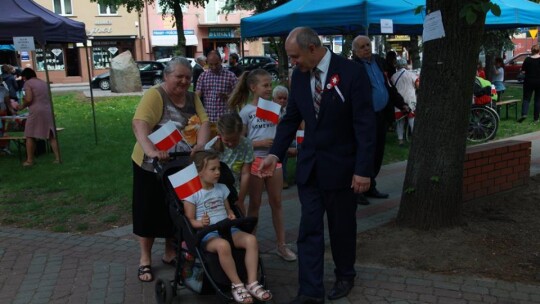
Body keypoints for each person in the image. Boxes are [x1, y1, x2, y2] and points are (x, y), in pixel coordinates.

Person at [257, 27, 376, 302]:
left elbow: (365, 125)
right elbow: (290, 119)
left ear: (312, 48)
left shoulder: (351, 73)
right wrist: (275, 154)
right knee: (308, 230)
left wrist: (362, 170)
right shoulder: (298, 77)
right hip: (310, 167)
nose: (293, 62)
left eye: (295, 56)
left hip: (343, 168)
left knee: (341, 227)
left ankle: (345, 274)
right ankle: (310, 292)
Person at [131, 57, 211, 283]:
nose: (184, 81)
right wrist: (152, 151)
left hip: (181, 162)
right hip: (150, 164)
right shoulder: (155, 95)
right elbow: (139, 124)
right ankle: (145, 259)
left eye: (188, 77)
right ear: (166, 76)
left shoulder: (193, 97)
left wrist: (201, 146)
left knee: (176, 211)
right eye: (179, 76)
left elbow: (204, 122)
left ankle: (170, 252)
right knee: (148, 210)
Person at [228, 69, 297, 262]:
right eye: (265, 85)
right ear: (253, 87)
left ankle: (281, 246)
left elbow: (281, 132)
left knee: (277, 202)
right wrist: (257, 144)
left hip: (274, 160)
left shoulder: (274, 109)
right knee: (255, 204)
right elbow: (239, 141)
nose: (269, 88)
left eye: (270, 85)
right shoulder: (246, 112)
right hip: (255, 162)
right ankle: (251, 244)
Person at [184, 150, 272, 303]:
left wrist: (231, 214)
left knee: (251, 239)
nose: (218, 172)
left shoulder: (222, 188)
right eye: (213, 169)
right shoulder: (193, 194)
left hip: (228, 228)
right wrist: (200, 223)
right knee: (223, 246)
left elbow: (228, 209)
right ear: (199, 172)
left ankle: (252, 282)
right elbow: (189, 220)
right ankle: (237, 285)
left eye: (218, 168)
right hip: (208, 234)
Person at [352, 35, 409, 206]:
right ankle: (357, 190)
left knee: (377, 153)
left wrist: (402, 104)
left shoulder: (379, 61)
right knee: (364, 153)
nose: (366, 48)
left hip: (381, 115)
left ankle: (370, 185)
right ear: (355, 51)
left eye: (368, 45)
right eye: (362, 47)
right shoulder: (354, 67)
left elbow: (388, 86)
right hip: (364, 117)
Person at [205, 113, 254, 215]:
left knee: (239, 216)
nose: (231, 144)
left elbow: (246, 174)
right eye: (227, 140)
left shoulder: (246, 144)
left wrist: (240, 199)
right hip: (215, 192)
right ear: (220, 134)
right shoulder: (210, 148)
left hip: (234, 191)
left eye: (235, 140)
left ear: (241, 133)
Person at [18, 68, 60, 166]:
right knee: (51, 135)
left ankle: (30, 160)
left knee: (29, 134)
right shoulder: (43, 83)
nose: (23, 80)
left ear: (25, 77)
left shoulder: (28, 83)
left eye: (23, 78)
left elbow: (29, 99)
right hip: (48, 109)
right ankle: (58, 158)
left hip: (36, 111)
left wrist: (22, 106)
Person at [196, 50, 238, 123]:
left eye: (216, 64)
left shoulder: (230, 76)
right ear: (207, 62)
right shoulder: (203, 76)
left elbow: (239, 95)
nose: (214, 67)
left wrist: (229, 96)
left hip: (226, 120)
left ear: (221, 61)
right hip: (209, 119)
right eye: (211, 64)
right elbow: (197, 96)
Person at [272, 85, 299, 189]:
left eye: (285, 98)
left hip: (287, 140)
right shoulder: (270, 110)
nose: (282, 101)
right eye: (280, 98)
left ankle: (299, 176)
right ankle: (283, 180)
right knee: (281, 150)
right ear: (273, 99)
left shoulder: (287, 110)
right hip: (274, 141)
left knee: (302, 146)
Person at [391, 58, 418, 146]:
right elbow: (418, 84)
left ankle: (400, 140)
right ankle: (415, 140)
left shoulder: (393, 76)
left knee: (400, 121)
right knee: (412, 119)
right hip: (410, 99)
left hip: (399, 101)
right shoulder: (411, 74)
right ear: (405, 65)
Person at [518, 44, 540, 124]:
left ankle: (524, 114)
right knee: (537, 100)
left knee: (526, 98)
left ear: (532, 51)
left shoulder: (527, 59)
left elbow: (523, 71)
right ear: (538, 51)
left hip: (528, 81)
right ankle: (536, 118)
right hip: (539, 82)